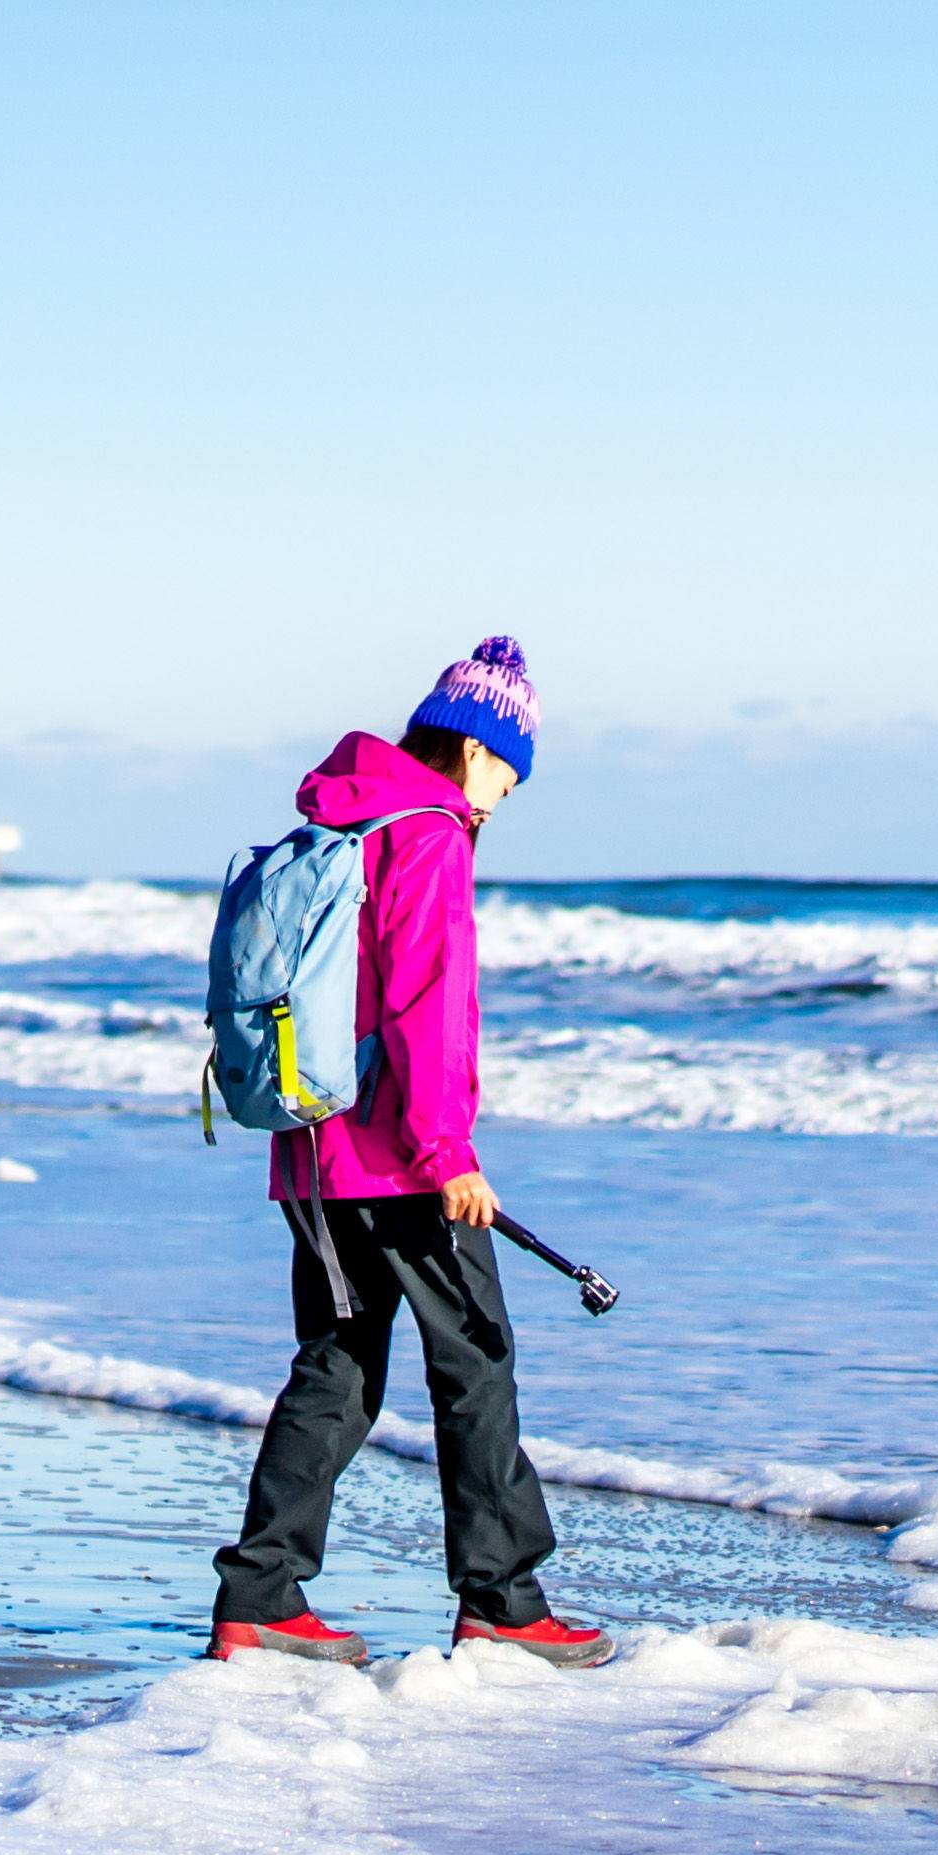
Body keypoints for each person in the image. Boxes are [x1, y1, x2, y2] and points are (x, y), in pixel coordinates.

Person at [207, 637, 610, 1670]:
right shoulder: (427, 834)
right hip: (397, 1161)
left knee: (338, 1365)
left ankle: (260, 1598)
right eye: (507, 778)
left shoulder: (346, 821)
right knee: (475, 1358)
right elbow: (426, 1006)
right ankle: (503, 1601)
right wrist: (447, 1152)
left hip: (311, 1146)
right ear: (475, 750)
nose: (501, 802)